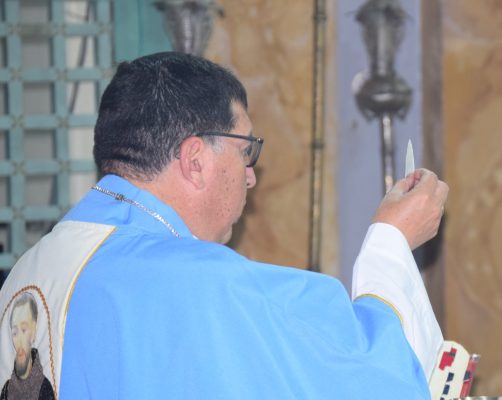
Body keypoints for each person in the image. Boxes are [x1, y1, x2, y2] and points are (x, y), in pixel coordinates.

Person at [0, 51, 448, 399]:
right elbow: (377, 378)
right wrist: (391, 240)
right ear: (195, 160)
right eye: (245, 150)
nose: (251, 175)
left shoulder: (30, 271)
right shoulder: (195, 283)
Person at [1, 293, 55, 400]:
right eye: (15, 332)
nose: (19, 341)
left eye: (24, 330)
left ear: (34, 331)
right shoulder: (6, 390)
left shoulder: (44, 389)